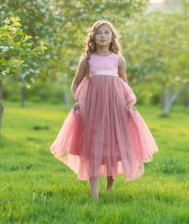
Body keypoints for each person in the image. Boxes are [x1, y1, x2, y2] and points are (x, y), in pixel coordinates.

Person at [50, 20, 158, 202]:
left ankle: (109, 184)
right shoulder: (87, 60)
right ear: (93, 36)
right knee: (92, 147)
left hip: (115, 108)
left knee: (112, 145)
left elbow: (124, 84)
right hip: (93, 109)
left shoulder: (118, 60)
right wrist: (79, 100)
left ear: (112, 37)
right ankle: (95, 196)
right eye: (99, 32)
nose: (102, 36)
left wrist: (128, 103)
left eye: (106, 32)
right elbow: (76, 82)